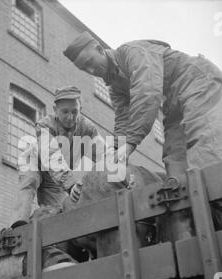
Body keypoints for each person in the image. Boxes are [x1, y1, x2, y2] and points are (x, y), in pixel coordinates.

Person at [63, 32, 222, 177]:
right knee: (174, 155)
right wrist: (115, 150)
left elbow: (147, 92)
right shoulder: (115, 88)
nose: (91, 70)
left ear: (100, 50)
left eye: (90, 62)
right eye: (84, 69)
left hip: (197, 80)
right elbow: (123, 120)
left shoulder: (130, 52)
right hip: (173, 102)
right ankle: (186, 198)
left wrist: (130, 143)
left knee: (204, 138)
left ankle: (214, 193)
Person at [11, 85, 106, 228]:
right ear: (55, 110)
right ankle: (19, 225)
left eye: (75, 112)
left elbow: (103, 153)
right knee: (29, 181)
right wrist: (71, 184)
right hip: (36, 163)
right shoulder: (44, 125)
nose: (70, 117)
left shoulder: (88, 128)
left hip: (56, 177)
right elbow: (52, 158)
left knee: (59, 214)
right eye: (65, 111)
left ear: (81, 110)